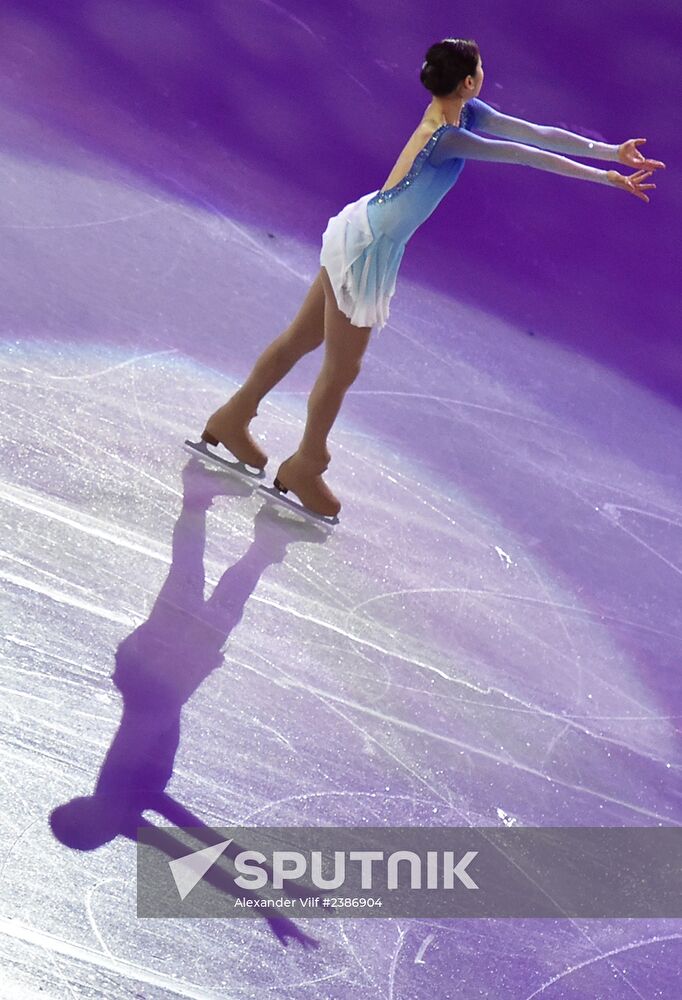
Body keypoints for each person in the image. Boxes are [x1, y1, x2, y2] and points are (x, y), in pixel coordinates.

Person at [198, 38, 664, 519]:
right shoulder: (446, 136)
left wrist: (612, 153)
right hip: (367, 249)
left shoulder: (469, 112)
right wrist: (607, 179)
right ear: (468, 79)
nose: (484, 73)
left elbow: (535, 134)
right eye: (481, 68)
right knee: (341, 367)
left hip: (367, 232)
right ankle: (306, 465)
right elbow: (525, 156)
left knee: (301, 339)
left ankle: (234, 418)